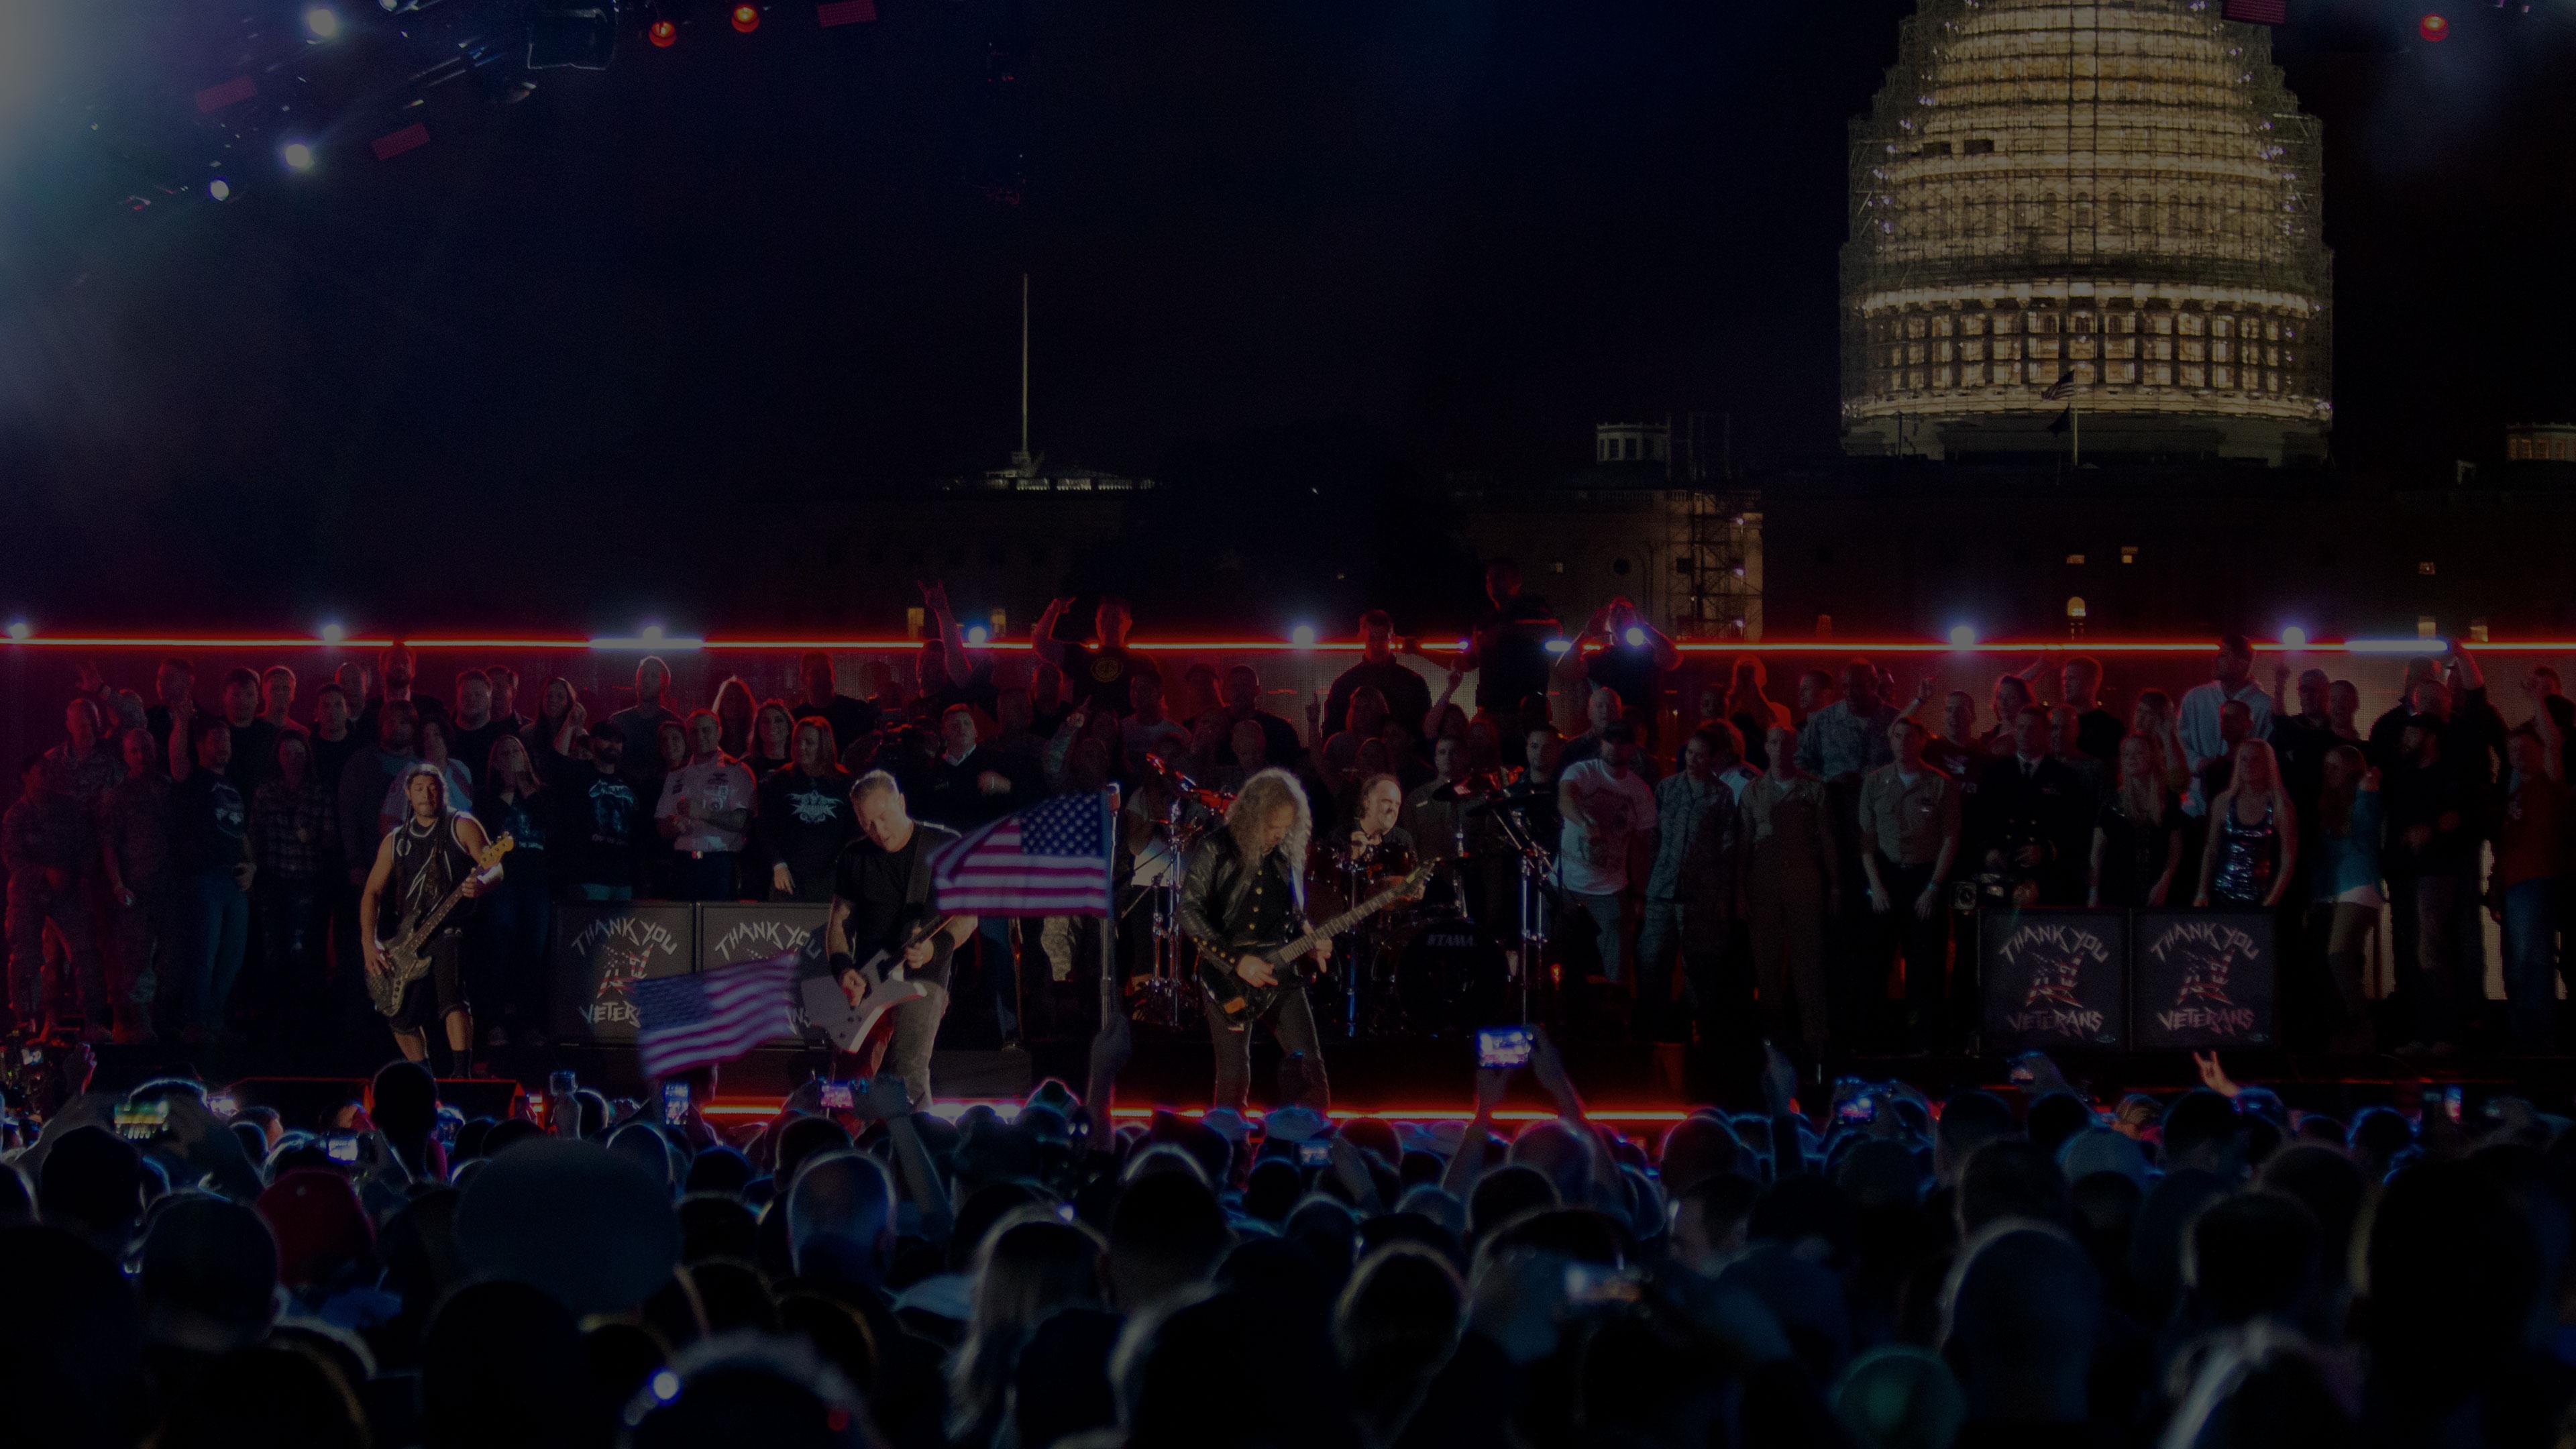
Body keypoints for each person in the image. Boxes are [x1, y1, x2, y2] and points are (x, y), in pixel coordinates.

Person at [1179, 767, 1333, 1113]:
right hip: (1227, 973)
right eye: (1271, 827)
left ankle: (1312, 1150)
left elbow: (1293, 916)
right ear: (1252, 817)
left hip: (1280, 969)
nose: (1278, 836)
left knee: (1312, 1068)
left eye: (1284, 828)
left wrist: (1311, 938)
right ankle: (1230, 1151)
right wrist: (1236, 960)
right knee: (1234, 1074)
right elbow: (1188, 911)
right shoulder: (1216, 849)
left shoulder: (1287, 856)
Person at [828, 771, 977, 1109]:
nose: (879, 832)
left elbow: (967, 919)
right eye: (867, 824)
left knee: (907, 1068)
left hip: (923, 977)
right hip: (869, 979)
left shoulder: (943, 846)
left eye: (884, 818)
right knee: (850, 1075)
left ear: (902, 803)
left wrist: (933, 949)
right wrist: (842, 968)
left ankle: (915, 1146)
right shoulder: (854, 858)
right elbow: (838, 923)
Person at [359, 763, 498, 1073]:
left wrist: (483, 883)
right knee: (397, 1013)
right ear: (408, 794)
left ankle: (461, 1075)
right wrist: (369, 943)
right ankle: (422, 1076)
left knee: (452, 1000)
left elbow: (494, 865)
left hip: (452, 928)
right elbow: (371, 893)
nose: (427, 793)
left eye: (433, 786)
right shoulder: (395, 840)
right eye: (419, 787)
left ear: (443, 790)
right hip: (410, 935)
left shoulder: (461, 825)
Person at [1857, 716, 1961, 1053]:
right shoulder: (1874, 782)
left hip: (1924, 879)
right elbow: (1866, 840)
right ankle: (1875, 1039)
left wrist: (1933, 888)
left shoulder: (1941, 785)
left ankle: (1922, 1042)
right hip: (1885, 876)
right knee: (1875, 964)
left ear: (1922, 741)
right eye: (1897, 735)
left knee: (1925, 967)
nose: (1903, 742)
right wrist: (1876, 885)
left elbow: (1950, 837)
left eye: (1909, 736)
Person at [2382, 710, 2481, 1055]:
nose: (2406, 740)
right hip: (2406, 873)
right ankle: (2424, 1033)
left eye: (2412, 733)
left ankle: (2445, 1033)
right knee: (2413, 951)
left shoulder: (2450, 776)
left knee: (2430, 948)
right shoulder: (2403, 776)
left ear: (2430, 736)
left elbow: (2463, 818)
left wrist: (2433, 829)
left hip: (2437, 870)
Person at [1741, 726, 1837, 1063]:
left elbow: (1826, 839)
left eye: (1786, 742)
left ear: (1795, 747)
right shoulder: (1752, 792)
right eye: (1774, 742)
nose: (1780, 748)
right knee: (1767, 968)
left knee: (1808, 964)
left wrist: (1835, 884)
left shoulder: (1813, 789)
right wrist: (1740, 889)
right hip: (1764, 885)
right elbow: (1744, 843)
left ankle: (1816, 1043)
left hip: (1804, 884)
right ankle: (1772, 1046)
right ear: (1766, 747)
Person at [1638, 725, 1740, 1040]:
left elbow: (1728, 847)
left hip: (1701, 897)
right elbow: (1653, 839)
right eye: (1690, 753)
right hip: (1662, 892)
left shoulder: (1721, 795)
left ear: (1713, 759)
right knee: (1653, 962)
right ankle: (1652, 1033)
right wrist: (1645, 887)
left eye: (1701, 755)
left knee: (1700, 968)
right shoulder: (1666, 789)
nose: (1694, 760)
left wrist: (1723, 896)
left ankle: (1701, 1036)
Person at [4, 754, 105, 1037]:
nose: (46, 776)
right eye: (40, 770)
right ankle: (28, 1024)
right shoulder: (16, 817)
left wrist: (81, 874)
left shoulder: (69, 809)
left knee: (85, 951)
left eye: (49, 771)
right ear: (25, 775)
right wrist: (44, 874)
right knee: (26, 958)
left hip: (67, 891)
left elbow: (87, 844)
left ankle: (94, 1021)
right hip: (28, 896)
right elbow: (14, 861)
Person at [168, 715, 254, 1042]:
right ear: (200, 745)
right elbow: (177, 758)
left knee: (232, 955)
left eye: (226, 739)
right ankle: (196, 1024)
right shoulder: (192, 779)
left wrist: (252, 866)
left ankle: (214, 1021)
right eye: (215, 739)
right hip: (203, 878)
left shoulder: (233, 785)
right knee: (203, 953)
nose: (223, 745)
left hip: (235, 880)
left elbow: (241, 832)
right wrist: (181, 715)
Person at [1555, 721, 1656, 989]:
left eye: (1622, 741)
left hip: (1610, 886)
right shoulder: (1583, 770)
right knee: (1559, 958)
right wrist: (1584, 823)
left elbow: (1641, 847)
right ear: (1602, 743)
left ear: (1632, 747)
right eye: (1610, 740)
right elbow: (1565, 799)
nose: (1615, 747)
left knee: (1617, 966)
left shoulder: (1640, 791)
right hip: (1566, 883)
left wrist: (1639, 893)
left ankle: (1616, 1018)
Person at [248, 733, 335, 1040]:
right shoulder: (266, 792)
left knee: (301, 948)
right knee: (273, 948)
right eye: (288, 753)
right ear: (279, 757)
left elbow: (330, 837)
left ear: (307, 757)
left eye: (299, 753)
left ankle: (302, 1018)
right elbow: (254, 835)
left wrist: (313, 836)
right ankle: (275, 1015)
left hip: (307, 879)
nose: (293, 759)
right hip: (272, 878)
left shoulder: (318, 792)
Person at [2492, 706, 2568, 1053]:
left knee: (2530, 959)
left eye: (2525, 749)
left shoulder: (2548, 784)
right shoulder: (2513, 792)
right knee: (2517, 961)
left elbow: (2554, 745)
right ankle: (2528, 1036)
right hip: (2514, 883)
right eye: (2513, 750)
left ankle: (2538, 1038)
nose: (2518, 755)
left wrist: (2540, 700)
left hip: (2536, 879)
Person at [470, 734, 553, 1048]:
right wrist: (506, 791)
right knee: (499, 949)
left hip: (536, 880)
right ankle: (495, 1023)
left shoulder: (542, 793)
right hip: (503, 880)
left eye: (515, 751)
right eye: (503, 752)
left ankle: (530, 1023)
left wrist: (525, 788)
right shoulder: (486, 796)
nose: (510, 757)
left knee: (533, 951)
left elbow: (549, 822)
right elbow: (484, 833)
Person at [1972, 706, 2089, 906]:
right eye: (2021, 727)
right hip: (2002, 871)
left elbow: (2076, 827)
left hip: (2046, 875)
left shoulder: (2064, 776)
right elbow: (1979, 819)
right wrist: (1988, 850)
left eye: (2032, 728)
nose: (2025, 733)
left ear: (2046, 732)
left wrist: (2046, 850)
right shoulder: (1996, 772)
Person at [2308, 745, 2383, 1053]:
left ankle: (2363, 1026)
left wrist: (2367, 790)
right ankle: (2345, 1028)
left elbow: (2366, 830)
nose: (2329, 774)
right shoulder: (2327, 804)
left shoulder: (2363, 796)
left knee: (2338, 954)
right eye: (2326, 767)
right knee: (2335, 959)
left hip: (2358, 882)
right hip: (2333, 888)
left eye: (2336, 767)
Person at [97, 727, 171, 1042]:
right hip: (137, 888)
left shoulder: (170, 788)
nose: (141, 756)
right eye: (134, 751)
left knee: (169, 958)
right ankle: (138, 1027)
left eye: (146, 748)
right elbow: (109, 845)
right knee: (136, 958)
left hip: (169, 886)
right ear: (125, 756)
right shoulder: (117, 797)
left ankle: (160, 1021)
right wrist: (118, 885)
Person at [656, 710, 755, 902]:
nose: (700, 736)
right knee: (682, 928)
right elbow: (661, 826)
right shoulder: (677, 774)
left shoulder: (736, 770)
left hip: (720, 864)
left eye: (706, 730)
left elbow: (743, 822)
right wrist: (673, 824)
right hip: (683, 863)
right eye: (694, 732)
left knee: (718, 928)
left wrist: (703, 813)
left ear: (719, 732)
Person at [754, 720, 855, 904]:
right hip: (788, 877)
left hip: (830, 878)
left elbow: (855, 831)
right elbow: (764, 827)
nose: (801, 747)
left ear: (824, 746)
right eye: (797, 741)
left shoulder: (844, 782)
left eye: (809, 742)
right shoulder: (781, 780)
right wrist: (777, 863)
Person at [2178, 635, 2273, 818]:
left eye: (2223, 655)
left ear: (2243, 663)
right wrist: (2200, 763)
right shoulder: (2196, 699)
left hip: (2246, 805)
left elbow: (2268, 754)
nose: (2215, 659)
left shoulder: (2264, 706)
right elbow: (2180, 742)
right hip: (2196, 804)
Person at [2196, 739, 2297, 910]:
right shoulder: (2224, 802)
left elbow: (2288, 859)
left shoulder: (2280, 807)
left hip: (2259, 899)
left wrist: (2272, 900)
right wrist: (2202, 892)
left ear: (2268, 765)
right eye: (2243, 759)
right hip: (2221, 895)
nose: (2248, 765)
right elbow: (2211, 849)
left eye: (2256, 760)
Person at [2091, 734, 2186, 909]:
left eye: (2139, 753)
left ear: (2152, 757)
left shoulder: (2168, 801)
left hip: (2156, 891)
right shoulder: (2112, 802)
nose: (2132, 759)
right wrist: (2093, 892)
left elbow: (2175, 849)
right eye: (2127, 754)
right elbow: (2097, 852)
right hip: (2116, 893)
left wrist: (2164, 882)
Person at [557, 723, 649, 901]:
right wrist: (570, 723)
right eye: (607, 739)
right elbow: (556, 760)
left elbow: (640, 831)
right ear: (592, 742)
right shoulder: (579, 773)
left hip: (624, 879)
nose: (613, 745)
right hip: (588, 876)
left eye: (618, 741)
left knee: (623, 930)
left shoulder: (631, 782)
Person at [1466, 559, 1558, 724]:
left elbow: (1554, 631)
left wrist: (1505, 631)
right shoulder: (1485, 617)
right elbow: (1471, 660)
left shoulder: (1532, 607)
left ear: (1517, 581)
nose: (1492, 583)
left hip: (1527, 710)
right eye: (1489, 579)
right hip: (1490, 710)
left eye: (1499, 577)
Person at [1572, 596, 1680, 736]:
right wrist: (1586, 634)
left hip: (1642, 734)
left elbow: (1673, 659)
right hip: (1605, 735)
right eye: (1614, 610)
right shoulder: (1597, 656)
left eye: (1626, 610)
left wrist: (1644, 627)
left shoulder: (1648, 654)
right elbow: (1565, 668)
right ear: (1606, 622)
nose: (1620, 614)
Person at [1322, 610, 1435, 741]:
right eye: (1372, 639)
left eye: (1382, 639)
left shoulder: (1345, 684)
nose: (1376, 646)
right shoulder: (1413, 682)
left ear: (1391, 639)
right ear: (1362, 638)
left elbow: (1423, 732)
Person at [1032, 594, 1141, 717]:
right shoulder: (1080, 655)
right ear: (1096, 621)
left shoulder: (1141, 662)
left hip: (1126, 732)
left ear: (1128, 624)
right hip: (1085, 731)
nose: (1109, 622)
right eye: (1104, 616)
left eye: (1116, 618)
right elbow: (1040, 643)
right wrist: (1053, 609)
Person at [382, 719, 474, 845]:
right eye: (426, 737)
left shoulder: (460, 769)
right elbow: (388, 821)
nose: (431, 741)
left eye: (437, 734)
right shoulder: (411, 773)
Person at [608, 657, 681, 788]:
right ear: (636, 683)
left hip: (662, 795)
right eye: (644, 675)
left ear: (664, 686)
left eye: (654, 676)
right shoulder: (617, 722)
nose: (647, 680)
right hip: (623, 794)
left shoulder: (675, 724)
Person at [357, 645, 448, 744]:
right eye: (393, 662)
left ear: (413, 671)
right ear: (381, 669)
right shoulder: (367, 709)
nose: (399, 666)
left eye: (405, 662)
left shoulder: (432, 708)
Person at [793, 651, 879, 752]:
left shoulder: (856, 711)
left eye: (827, 672)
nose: (823, 678)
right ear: (803, 679)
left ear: (834, 676)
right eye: (815, 673)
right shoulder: (795, 718)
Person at [1725, 656, 1792, 772]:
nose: (1746, 675)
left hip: (1764, 769)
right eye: (1741, 672)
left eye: (1751, 671)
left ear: (1763, 678)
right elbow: (1717, 725)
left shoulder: (1780, 710)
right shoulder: (1727, 708)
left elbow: (1779, 732)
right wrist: (1737, 691)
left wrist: (1755, 691)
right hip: (1731, 770)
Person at [447, 672, 515, 784]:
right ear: (457, 699)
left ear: (490, 700)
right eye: (465, 695)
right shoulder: (445, 736)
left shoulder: (503, 739)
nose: (472, 699)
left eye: (478, 694)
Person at [2059, 655, 2124, 769]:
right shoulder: (2057, 722)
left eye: (2072, 678)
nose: (2066, 684)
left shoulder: (2110, 728)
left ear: (2091, 683)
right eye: (2065, 679)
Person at [742, 700, 796, 781]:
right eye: (766, 721)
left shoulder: (799, 763)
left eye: (778, 721)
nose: (772, 726)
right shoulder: (747, 765)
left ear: (789, 728)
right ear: (758, 728)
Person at [710, 677, 757, 761]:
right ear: (721, 703)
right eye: (729, 699)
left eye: (740, 699)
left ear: (747, 703)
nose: (735, 704)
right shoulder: (712, 736)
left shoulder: (757, 734)